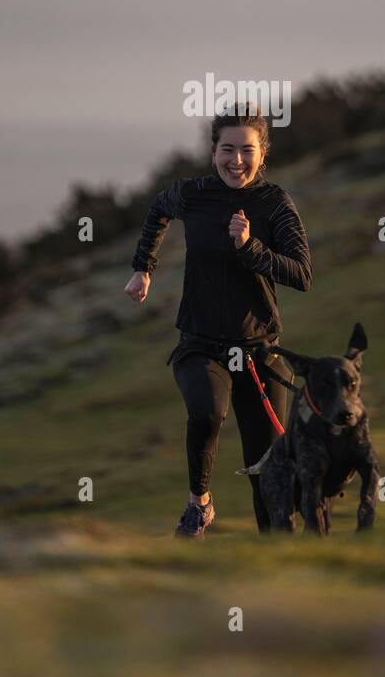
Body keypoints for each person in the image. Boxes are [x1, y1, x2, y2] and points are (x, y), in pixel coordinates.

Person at [124, 107, 311, 536]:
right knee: (207, 414)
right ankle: (199, 504)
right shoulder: (193, 194)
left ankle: (279, 568)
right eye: (228, 149)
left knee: (268, 478)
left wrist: (250, 248)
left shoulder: (275, 203)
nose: (237, 160)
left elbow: (302, 274)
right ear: (213, 153)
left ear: (263, 154)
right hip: (200, 344)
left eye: (248, 150)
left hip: (258, 352)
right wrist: (143, 267)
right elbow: (158, 210)